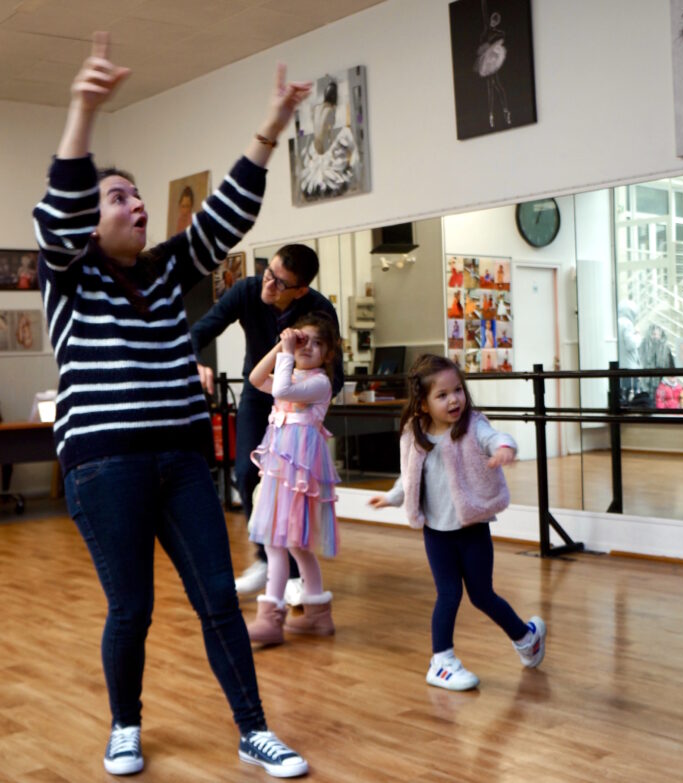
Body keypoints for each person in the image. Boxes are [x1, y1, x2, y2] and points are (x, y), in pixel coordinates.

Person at [33, 32, 312, 777]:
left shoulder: (164, 272)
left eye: (135, 195)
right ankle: (125, 723)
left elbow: (226, 217)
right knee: (133, 607)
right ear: (91, 224)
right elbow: (57, 215)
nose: (135, 206)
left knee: (219, 599)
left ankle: (255, 729)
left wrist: (271, 129)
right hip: (106, 465)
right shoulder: (69, 278)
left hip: (183, 459)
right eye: (117, 198)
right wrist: (84, 110)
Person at [367, 354, 546, 690]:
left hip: (472, 530)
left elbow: (495, 437)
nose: (454, 400)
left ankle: (527, 638)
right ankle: (442, 662)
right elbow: (409, 478)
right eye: (442, 394)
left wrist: (505, 447)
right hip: (437, 534)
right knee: (448, 594)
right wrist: (392, 497)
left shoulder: (473, 425)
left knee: (482, 595)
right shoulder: (415, 435)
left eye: (458, 391)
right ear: (422, 404)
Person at [191, 243, 343, 601]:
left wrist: (314, 401)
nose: (269, 285)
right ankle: (266, 559)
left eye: (281, 282)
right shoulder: (246, 291)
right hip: (262, 395)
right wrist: (195, 362)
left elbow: (335, 372)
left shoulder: (319, 308)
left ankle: (292, 574)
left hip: (303, 404)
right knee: (245, 472)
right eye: (268, 273)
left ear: (300, 290)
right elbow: (199, 332)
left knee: (292, 491)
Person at [245, 312, 341, 644]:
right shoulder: (293, 374)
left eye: (318, 344)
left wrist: (287, 353)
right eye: (304, 340)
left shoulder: (319, 383)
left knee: (278, 543)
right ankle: (317, 615)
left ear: (328, 355)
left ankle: (270, 620)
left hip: (297, 471)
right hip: (282, 469)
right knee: (295, 547)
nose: (308, 347)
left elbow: (282, 386)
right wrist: (279, 347)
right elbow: (257, 378)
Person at [638, 324, 675, 403]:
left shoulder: (666, 348)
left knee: (660, 401)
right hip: (646, 380)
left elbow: (671, 364)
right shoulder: (643, 346)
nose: (655, 337)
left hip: (661, 380)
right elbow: (639, 360)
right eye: (653, 334)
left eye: (657, 334)